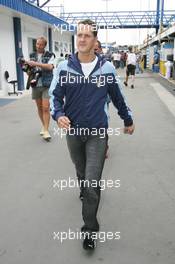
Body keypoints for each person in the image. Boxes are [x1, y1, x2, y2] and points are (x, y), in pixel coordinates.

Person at [49, 19, 135, 250]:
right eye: (79, 35)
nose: (82, 39)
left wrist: (128, 120)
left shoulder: (106, 69)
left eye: (87, 36)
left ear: (95, 40)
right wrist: (58, 115)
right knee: (80, 170)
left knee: (92, 181)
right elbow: (55, 97)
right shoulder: (64, 68)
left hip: (97, 132)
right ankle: (84, 188)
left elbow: (118, 98)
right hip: (74, 133)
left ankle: (89, 229)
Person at [25, 37, 55, 140]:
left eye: (40, 44)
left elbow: (50, 67)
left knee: (46, 107)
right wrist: (28, 70)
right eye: (37, 44)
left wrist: (36, 64)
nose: (38, 46)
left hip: (47, 84)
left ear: (44, 45)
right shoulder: (32, 55)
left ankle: (46, 130)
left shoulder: (50, 54)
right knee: (39, 107)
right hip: (35, 83)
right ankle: (44, 125)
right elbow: (30, 70)